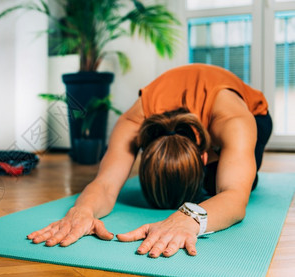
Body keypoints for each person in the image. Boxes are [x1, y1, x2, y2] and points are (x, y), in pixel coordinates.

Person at [27, 63, 273, 258]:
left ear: (204, 156)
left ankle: (217, 170)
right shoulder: (133, 123)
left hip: (254, 115)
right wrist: (82, 210)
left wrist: (187, 218)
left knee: (226, 184)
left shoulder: (234, 121)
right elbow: (105, 184)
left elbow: (235, 197)